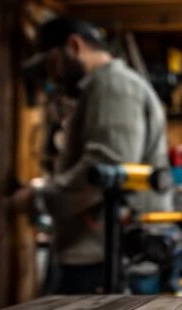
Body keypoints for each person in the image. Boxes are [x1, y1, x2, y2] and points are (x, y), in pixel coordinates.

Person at [12, 17, 172, 294]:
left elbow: (104, 169)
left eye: (52, 64)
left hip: (105, 261)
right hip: (99, 256)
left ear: (74, 46)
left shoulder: (113, 86)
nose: (53, 78)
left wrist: (39, 197)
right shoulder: (104, 87)